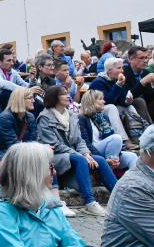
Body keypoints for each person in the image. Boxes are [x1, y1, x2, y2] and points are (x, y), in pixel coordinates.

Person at [37, 85, 116, 217]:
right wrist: (81, 155)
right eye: (63, 94)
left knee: (100, 160)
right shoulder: (45, 117)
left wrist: (86, 154)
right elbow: (54, 144)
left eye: (68, 93)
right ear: (54, 98)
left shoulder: (72, 116)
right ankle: (89, 202)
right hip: (53, 157)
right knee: (79, 159)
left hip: (73, 155)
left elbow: (79, 140)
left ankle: (120, 196)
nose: (68, 96)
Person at [78, 90, 138, 173]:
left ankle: (132, 181)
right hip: (93, 151)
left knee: (132, 156)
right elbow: (86, 143)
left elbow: (112, 143)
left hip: (107, 152)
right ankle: (107, 171)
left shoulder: (101, 117)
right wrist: (105, 159)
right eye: (101, 99)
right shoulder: (82, 118)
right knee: (116, 138)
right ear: (91, 101)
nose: (104, 101)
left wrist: (117, 154)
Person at [124, 46, 154, 124]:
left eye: (147, 58)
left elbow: (151, 96)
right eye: (141, 58)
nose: (145, 61)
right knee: (139, 101)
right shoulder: (124, 73)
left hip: (147, 105)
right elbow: (127, 96)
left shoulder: (145, 72)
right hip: (130, 106)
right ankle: (149, 129)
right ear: (131, 59)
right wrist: (142, 83)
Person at [0, 87, 38, 162]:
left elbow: (33, 141)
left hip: (21, 152)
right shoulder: (5, 117)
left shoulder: (30, 117)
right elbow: (13, 145)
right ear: (20, 100)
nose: (33, 101)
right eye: (30, 98)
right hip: (2, 153)